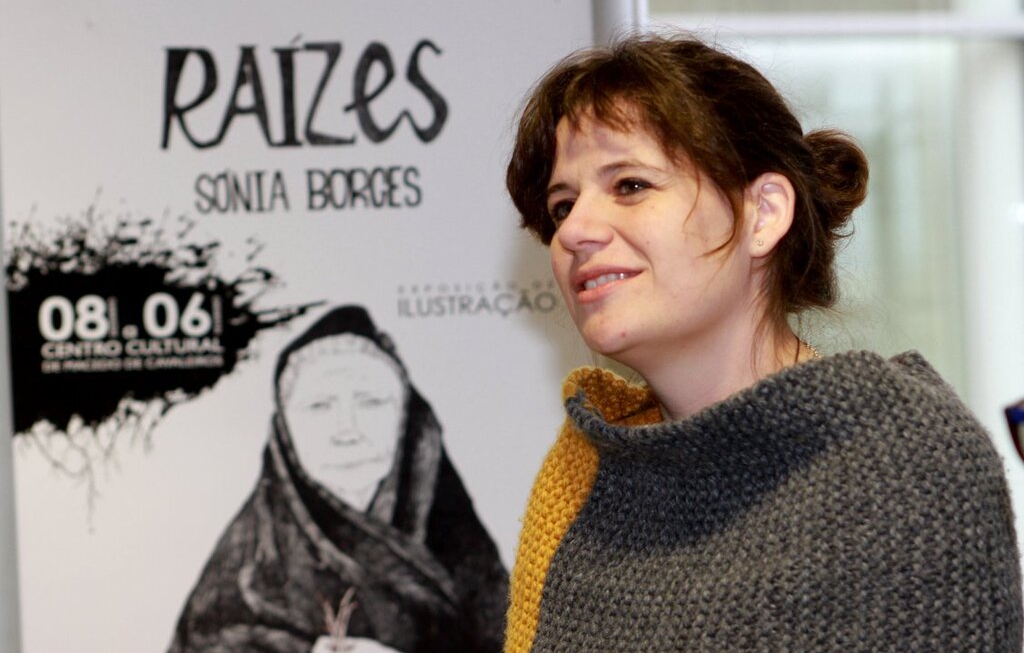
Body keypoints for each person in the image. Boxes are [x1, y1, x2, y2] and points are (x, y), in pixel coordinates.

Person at [503, 33, 1022, 652]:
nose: (574, 231)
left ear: (764, 213)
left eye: (630, 185)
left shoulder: (905, 466)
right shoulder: (581, 472)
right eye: (563, 206)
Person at [170, 305, 507, 653]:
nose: (347, 430)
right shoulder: (244, 579)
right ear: (284, 431)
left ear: (406, 420)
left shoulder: (463, 554)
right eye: (319, 406)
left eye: (372, 402)